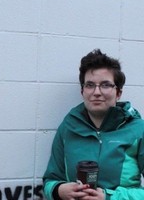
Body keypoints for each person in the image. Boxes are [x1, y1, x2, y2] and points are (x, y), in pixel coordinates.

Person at [43, 49, 144, 200]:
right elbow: (49, 181)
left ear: (118, 93)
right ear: (82, 91)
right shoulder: (68, 127)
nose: (96, 92)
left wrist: (109, 197)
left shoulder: (138, 130)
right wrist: (58, 190)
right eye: (90, 85)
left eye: (105, 85)